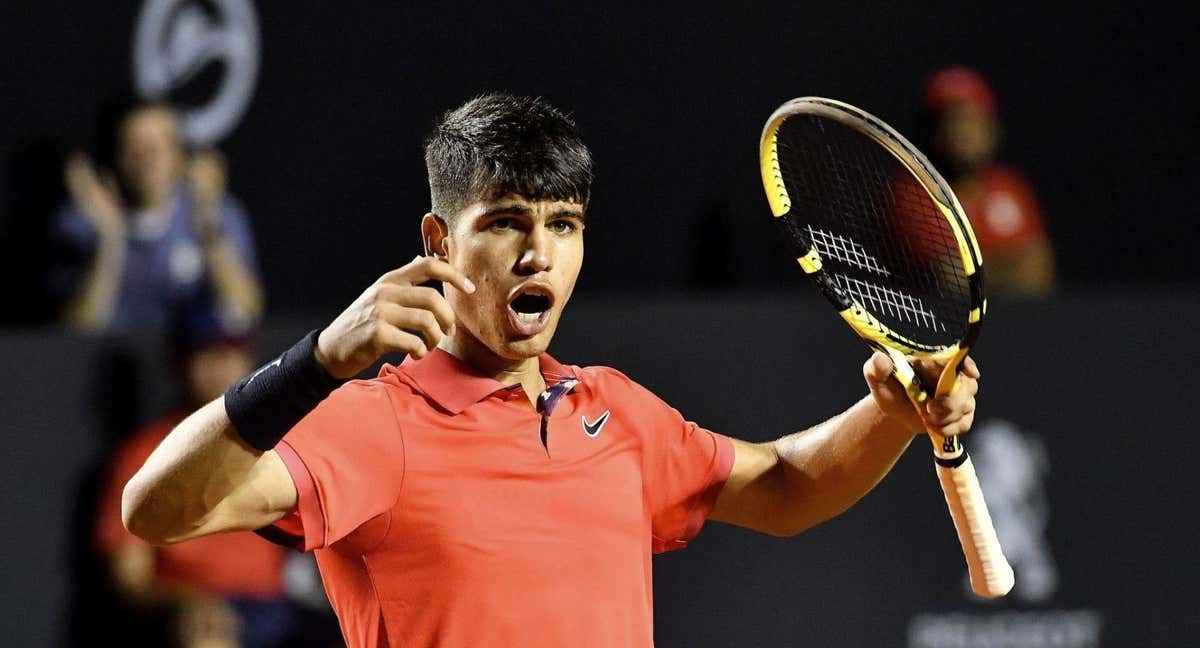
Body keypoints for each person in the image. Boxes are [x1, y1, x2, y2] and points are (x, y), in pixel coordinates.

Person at [122, 94, 980, 647]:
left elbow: (787, 486)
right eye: (506, 222)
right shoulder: (372, 423)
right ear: (438, 243)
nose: (539, 252)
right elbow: (155, 510)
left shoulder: (617, 411)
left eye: (563, 224)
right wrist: (311, 366)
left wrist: (893, 416)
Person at [95, 309, 293, 647]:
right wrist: (187, 602)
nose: (221, 365)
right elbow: (130, 577)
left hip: (277, 610)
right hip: (194, 608)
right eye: (208, 352)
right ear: (181, 361)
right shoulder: (147, 451)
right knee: (207, 634)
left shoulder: (281, 441)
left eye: (232, 351)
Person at [50, 100, 262, 333]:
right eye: (134, 147)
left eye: (159, 146)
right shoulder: (81, 222)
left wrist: (207, 222)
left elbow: (248, 312)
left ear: (181, 155)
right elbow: (77, 331)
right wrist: (110, 240)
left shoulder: (217, 212)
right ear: (115, 155)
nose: (147, 159)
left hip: (190, 362)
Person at [925, 66, 1056, 296]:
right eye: (952, 121)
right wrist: (1009, 266)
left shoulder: (1010, 188)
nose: (962, 133)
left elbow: (1038, 271)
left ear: (991, 128)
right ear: (935, 132)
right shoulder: (917, 192)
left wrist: (982, 271)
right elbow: (949, 278)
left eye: (971, 121)